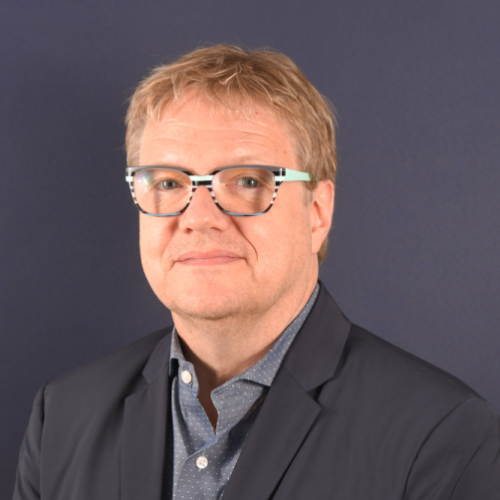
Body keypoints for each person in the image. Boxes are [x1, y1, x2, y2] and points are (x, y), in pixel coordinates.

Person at [13, 45, 500, 500]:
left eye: (247, 181)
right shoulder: (62, 418)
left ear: (317, 212)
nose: (199, 217)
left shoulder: (439, 435)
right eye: (168, 182)